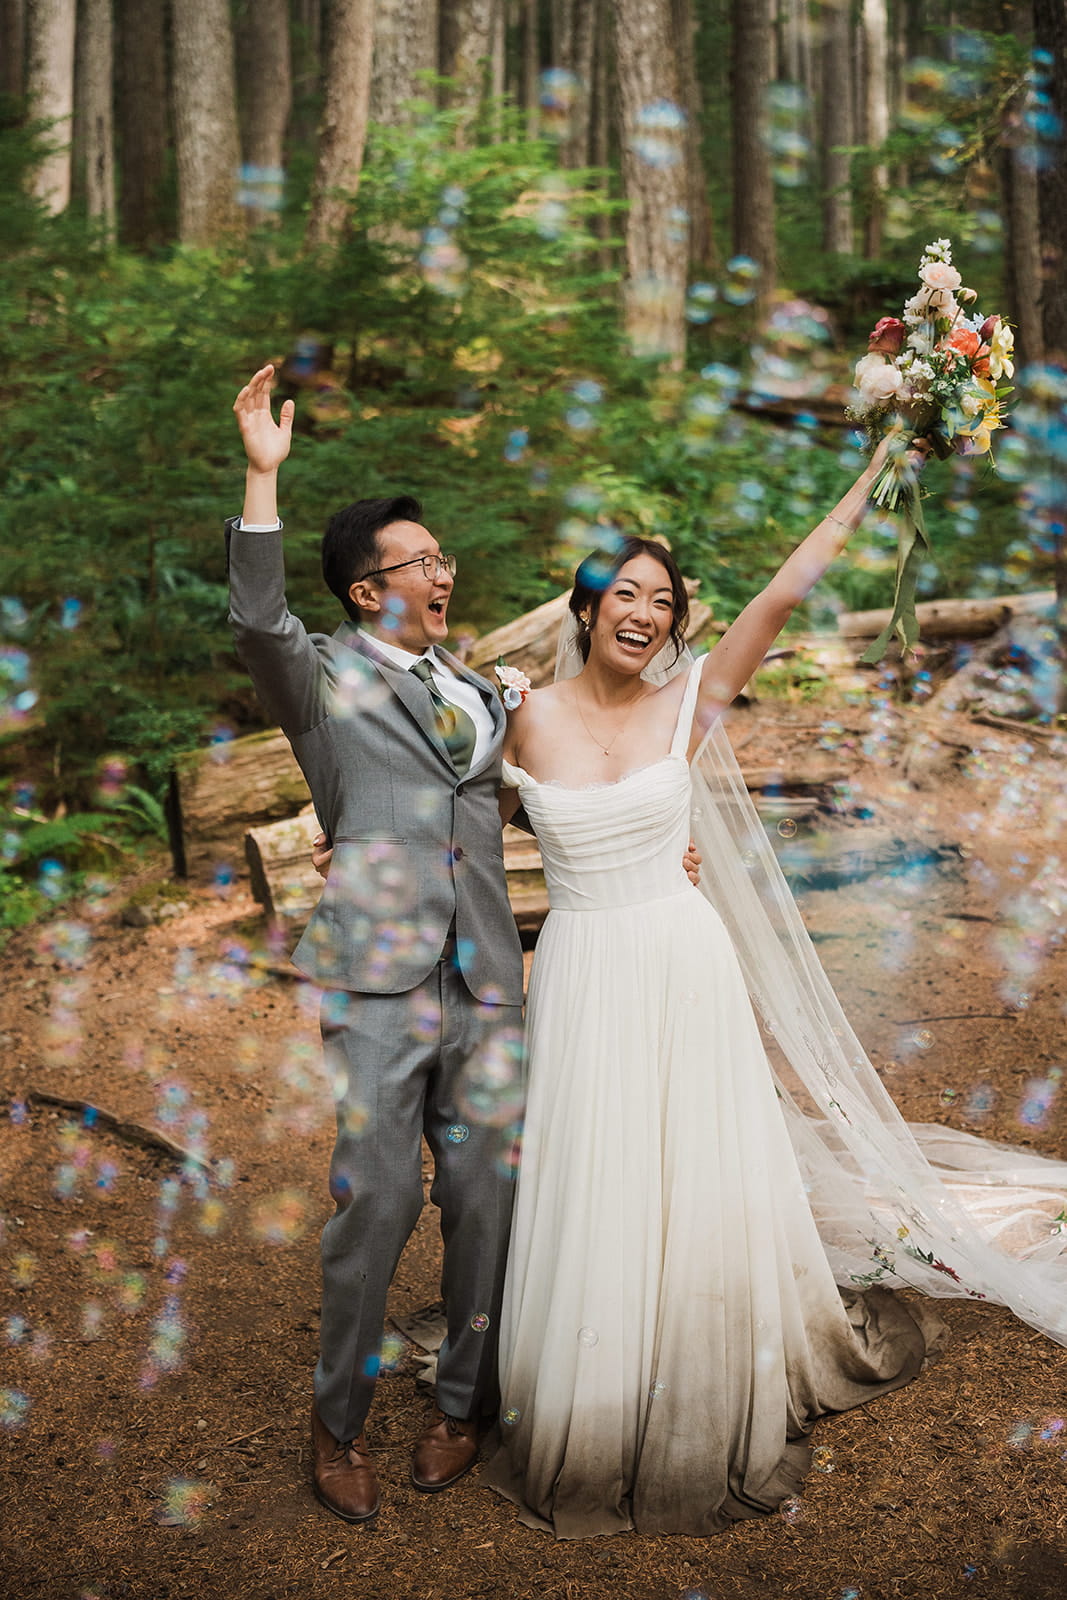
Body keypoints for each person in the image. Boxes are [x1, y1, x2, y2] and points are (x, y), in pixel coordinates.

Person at [479, 434, 1067, 1538]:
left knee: (692, 1169)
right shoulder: (517, 713)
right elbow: (426, 787)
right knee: (598, 1168)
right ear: (585, 602)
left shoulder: (688, 702)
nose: (642, 611)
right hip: (581, 971)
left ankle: (707, 1350)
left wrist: (879, 456)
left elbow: (791, 587)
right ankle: (595, 1374)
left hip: (679, 966)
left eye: (661, 598)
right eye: (623, 592)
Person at [228, 363, 702, 1524]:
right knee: (378, 1197)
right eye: (420, 561)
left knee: (489, 1197)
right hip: (379, 982)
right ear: (361, 588)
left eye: (443, 560)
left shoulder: (488, 693)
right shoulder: (321, 679)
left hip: (490, 978)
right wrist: (260, 476)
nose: (443, 573)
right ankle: (335, 1421)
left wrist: (657, 848)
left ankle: (461, 1402)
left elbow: (559, 785)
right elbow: (255, 615)